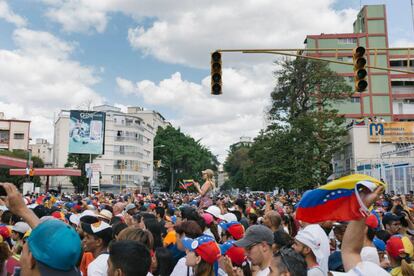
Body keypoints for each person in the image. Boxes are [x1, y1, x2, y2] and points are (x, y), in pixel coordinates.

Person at [0, 183, 82, 276]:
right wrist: (23, 211)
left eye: (24, 250)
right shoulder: (71, 269)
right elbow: (54, 244)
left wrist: (23, 211)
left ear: (31, 260)